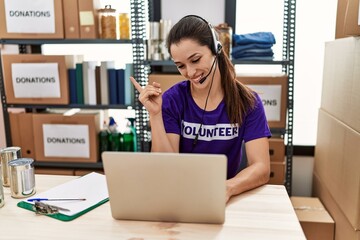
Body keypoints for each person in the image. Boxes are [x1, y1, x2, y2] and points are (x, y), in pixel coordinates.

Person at [130, 15, 271, 203]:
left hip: (221, 197)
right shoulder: (172, 100)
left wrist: (227, 188)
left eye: (195, 60)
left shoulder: (248, 101)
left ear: (216, 49)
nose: (190, 73)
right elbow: (165, 166)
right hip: (177, 196)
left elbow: (261, 167)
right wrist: (155, 115)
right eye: (180, 66)